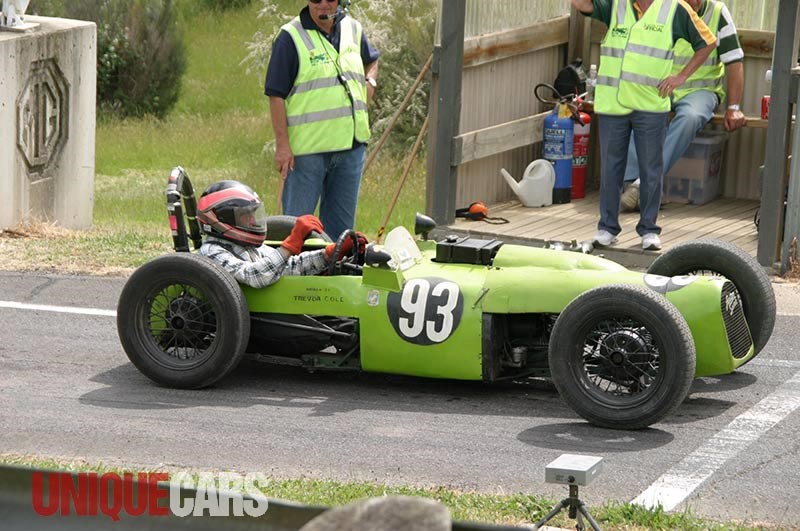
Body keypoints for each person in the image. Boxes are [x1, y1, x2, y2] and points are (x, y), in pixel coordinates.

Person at [571, 0, 716, 251]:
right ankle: (607, 228)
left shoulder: (675, 8)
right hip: (613, 105)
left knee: (651, 170)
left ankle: (649, 230)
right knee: (611, 170)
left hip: (650, 105)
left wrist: (680, 77)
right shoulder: (614, 4)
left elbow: (708, 42)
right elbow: (580, 4)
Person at [265, 0, 380, 241]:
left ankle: (332, 277)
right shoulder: (290, 37)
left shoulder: (353, 29)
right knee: (297, 232)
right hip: (307, 154)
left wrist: (370, 82)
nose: (324, 4)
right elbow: (276, 94)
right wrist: (282, 146)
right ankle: (294, 276)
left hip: (351, 149)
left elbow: (372, 60)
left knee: (341, 238)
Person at [620, 0, 746, 212]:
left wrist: (734, 107)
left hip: (701, 91)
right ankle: (637, 186)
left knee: (690, 117)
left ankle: (643, 184)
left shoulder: (717, 12)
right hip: (664, 86)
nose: (693, 2)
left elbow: (734, 61)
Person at [197, 180, 364, 289]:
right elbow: (255, 276)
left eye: (253, 214)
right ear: (220, 219)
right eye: (245, 215)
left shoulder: (247, 246)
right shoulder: (211, 252)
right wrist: (290, 244)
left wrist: (329, 254)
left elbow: (287, 268)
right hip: (251, 323)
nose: (253, 220)